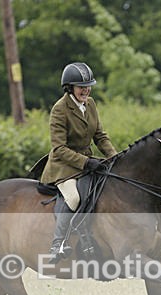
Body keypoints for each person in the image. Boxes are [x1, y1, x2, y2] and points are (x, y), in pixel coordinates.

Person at [40, 62, 117, 263]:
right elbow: (59, 148)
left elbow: (100, 136)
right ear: (70, 87)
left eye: (88, 85)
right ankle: (58, 244)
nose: (86, 89)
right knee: (74, 198)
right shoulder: (60, 109)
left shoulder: (90, 104)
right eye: (81, 86)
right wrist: (86, 162)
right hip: (63, 166)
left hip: (87, 162)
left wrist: (114, 157)